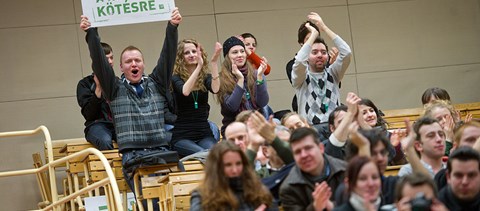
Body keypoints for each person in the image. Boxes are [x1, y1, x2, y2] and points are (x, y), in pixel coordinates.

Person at [80, 8, 182, 191]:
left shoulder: (157, 83)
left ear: (143, 64)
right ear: (121, 67)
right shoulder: (114, 88)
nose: (133, 64)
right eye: (128, 62)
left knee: (177, 197)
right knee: (148, 202)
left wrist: (172, 27)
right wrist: (91, 32)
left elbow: (168, 56)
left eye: (137, 60)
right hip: (133, 155)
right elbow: (99, 60)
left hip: (162, 150)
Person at [290, 12, 352, 138]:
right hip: (311, 130)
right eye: (314, 52)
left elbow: (346, 53)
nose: (320, 55)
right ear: (307, 55)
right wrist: (313, 35)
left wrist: (323, 27)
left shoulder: (333, 73)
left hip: (335, 129)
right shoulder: (300, 77)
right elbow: (299, 61)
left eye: (323, 52)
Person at [170, 39, 221, 157]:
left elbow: (216, 89)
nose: (192, 55)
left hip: (204, 133)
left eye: (194, 51)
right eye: (187, 53)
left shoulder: (205, 77)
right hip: (182, 136)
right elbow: (185, 91)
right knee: (205, 155)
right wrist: (199, 67)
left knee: (217, 155)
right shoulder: (175, 78)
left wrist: (213, 63)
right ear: (180, 57)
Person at [190, 141, 273, 210]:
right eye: (228, 165)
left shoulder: (258, 190)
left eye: (238, 163)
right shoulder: (202, 196)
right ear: (216, 167)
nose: (235, 170)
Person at [279, 127, 346, 210]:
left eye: (308, 148)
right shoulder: (288, 188)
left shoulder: (345, 171)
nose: (303, 155)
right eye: (297, 152)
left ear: (321, 148)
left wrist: (332, 207)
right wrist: (315, 208)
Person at [216, 36, 269, 136]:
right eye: (235, 52)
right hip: (234, 128)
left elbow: (262, 103)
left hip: (256, 124)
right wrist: (240, 80)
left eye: (242, 51)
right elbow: (232, 107)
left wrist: (260, 78)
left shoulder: (256, 73)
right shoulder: (221, 78)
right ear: (227, 56)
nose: (240, 55)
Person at [76, 42, 116, 150]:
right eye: (106, 59)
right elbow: (89, 115)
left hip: (118, 124)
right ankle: (109, 168)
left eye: (112, 58)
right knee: (105, 141)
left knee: (133, 139)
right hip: (96, 125)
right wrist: (98, 89)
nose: (111, 62)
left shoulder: (118, 82)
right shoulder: (84, 84)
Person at [358, 98, 406, 165]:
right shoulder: (356, 140)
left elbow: (401, 164)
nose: (370, 115)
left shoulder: (390, 136)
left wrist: (396, 147)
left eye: (372, 111)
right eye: (364, 113)